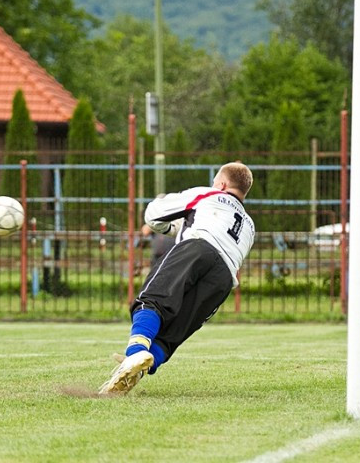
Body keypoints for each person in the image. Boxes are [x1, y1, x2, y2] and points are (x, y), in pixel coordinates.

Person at [99, 162, 255, 395]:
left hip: (198, 248)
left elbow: (153, 214)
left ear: (221, 184)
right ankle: (136, 372)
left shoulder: (208, 194)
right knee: (174, 333)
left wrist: (173, 227)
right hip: (224, 277)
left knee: (152, 299)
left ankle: (133, 355)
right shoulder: (250, 225)